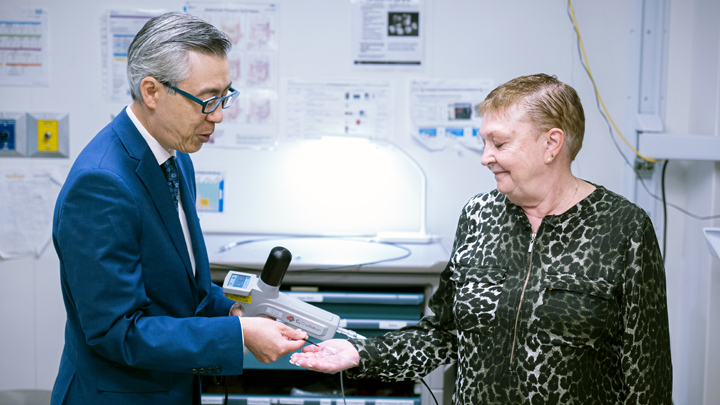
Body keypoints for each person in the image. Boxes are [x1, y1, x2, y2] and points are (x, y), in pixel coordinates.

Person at [290, 74, 673, 404]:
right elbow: (442, 333)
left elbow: (647, 372)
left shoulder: (623, 227)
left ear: (552, 144)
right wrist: (361, 353)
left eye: (500, 143)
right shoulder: (479, 215)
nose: (485, 157)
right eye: (484, 143)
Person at [51, 12, 307, 405]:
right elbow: (116, 331)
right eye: (207, 100)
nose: (218, 115)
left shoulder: (173, 155)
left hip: (169, 387)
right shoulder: (101, 185)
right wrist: (239, 337)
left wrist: (235, 315)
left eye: (226, 96)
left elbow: (181, 291)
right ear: (151, 91)